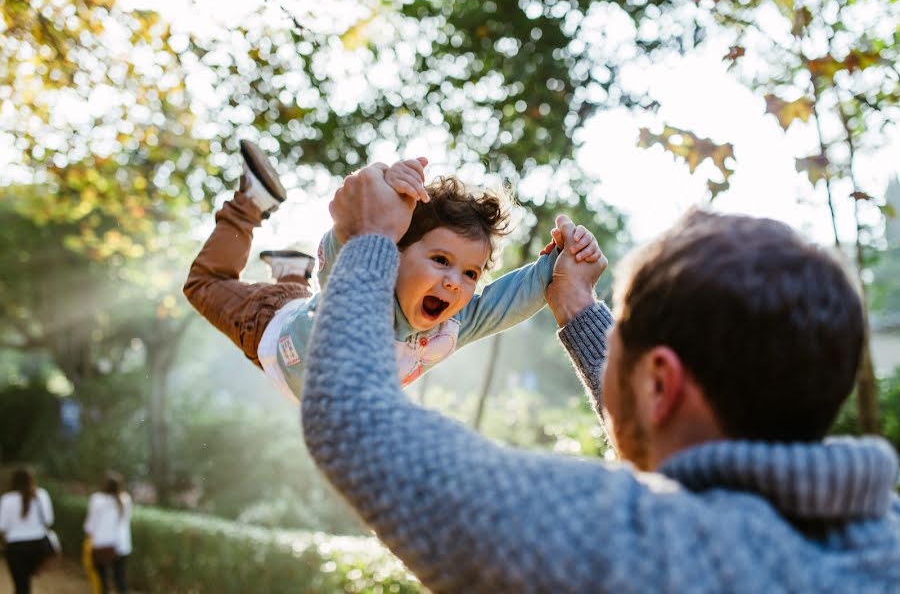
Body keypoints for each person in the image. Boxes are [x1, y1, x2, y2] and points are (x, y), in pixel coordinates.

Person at [298, 163, 900, 592]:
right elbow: (661, 429)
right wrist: (579, 307)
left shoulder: (630, 547)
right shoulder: (881, 540)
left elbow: (352, 421)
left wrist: (371, 242)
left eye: (621, 336)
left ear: (658, 383)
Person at [183, 141, 602, 400]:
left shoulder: (452, 322)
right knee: (204, 284)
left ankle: (292, 271)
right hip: (267, 329)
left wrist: (563, 257)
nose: (455, 281)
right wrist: (385, 185)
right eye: (441, 260)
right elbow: (345, 242)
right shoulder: (362, 280)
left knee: (303, 298)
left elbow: (514, 296)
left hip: (300, 337)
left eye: (470, 273)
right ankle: (251, 202)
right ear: (394, 249)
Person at [0, 467, 54, 594]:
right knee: (25, 582)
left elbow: (2, 526)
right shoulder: (42, 495)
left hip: (16, 548)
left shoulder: (7, 499)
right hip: (38, 547)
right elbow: (49, 520)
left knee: (21, 585)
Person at [84, 472, 132, 594]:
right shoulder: (125, 499)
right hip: (121, 546)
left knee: (102, 582)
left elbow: (90, 525)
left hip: (101, 545)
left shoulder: (97, 500)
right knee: (120, 579)